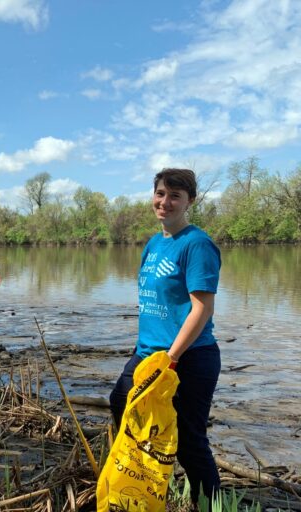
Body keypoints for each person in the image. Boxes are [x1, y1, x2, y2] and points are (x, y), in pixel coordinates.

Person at [109, 168, 221, 503]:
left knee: (190, 439)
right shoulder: (155, 243)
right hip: (148, 353)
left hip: (188, 357)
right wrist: (144, 349)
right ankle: (147, 480)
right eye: (160, 193)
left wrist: (171, 359)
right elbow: (153, 303)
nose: (165, 202)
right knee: (121, 402)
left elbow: (201, 309)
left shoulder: (197, 245)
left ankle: (211, 505)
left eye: (175, 196)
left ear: (190, 201)